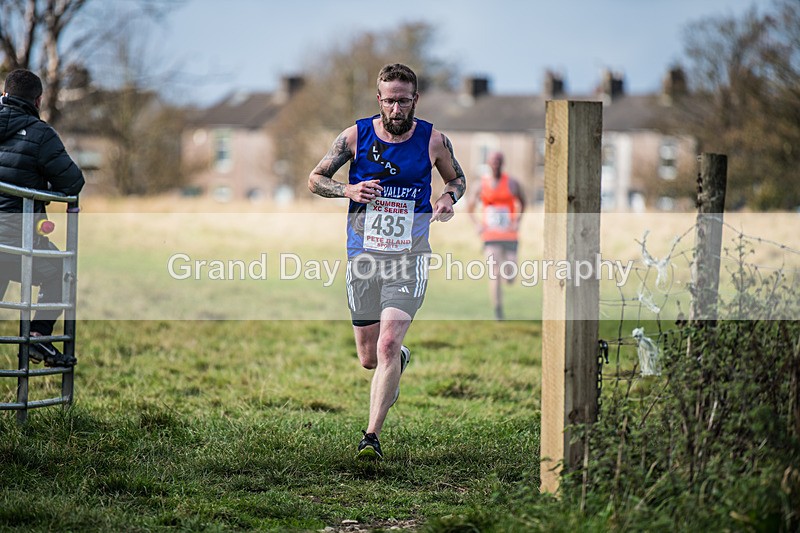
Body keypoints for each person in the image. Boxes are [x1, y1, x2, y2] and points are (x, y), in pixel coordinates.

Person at [308, 63, 466, 460]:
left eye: (404, 101)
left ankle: (371, 438)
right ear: (379, 99)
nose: (396, 109)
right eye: (390, 101)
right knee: (369, 358)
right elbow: (315, 179)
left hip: (409, 258)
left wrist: (447, 198)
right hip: (363, 258)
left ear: (415, 99)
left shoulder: (433, 140)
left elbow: (456, 180)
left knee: (388, 343)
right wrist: (348, 190)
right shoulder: (354, 136)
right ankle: (397, 360)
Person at [0, 69, 85, 367]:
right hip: (17, 245)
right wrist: (39, 188)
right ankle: (38, 336)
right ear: (38, 101)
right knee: (62, 273)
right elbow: (73, 183)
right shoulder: (41, 135)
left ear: (4, 94)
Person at [466, 150, 525, 320]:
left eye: (498, 160)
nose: (495, 164)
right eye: (493, 161)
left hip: (509, 234)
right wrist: (477, 224)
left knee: (509, 276)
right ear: (488, 163)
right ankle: (498, 310)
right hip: (490, 235)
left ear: (502, 163)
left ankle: (508, 280)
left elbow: (523, 202)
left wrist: (518, 220)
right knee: (495, 273)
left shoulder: (512, 183)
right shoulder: (480, 184)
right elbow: (470, 207)